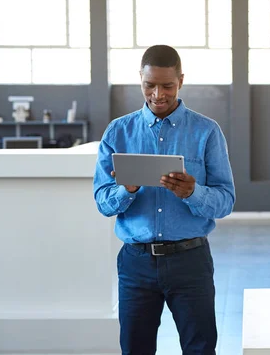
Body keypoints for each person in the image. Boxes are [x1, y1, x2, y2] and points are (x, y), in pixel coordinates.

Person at [93, 45, 235, 354]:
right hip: (136, 264)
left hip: (190, 262)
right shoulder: (117, 132)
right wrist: (126, 190)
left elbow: (226, 201)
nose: (158, 94)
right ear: (140, 80)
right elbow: (103, 203)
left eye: (167, 85)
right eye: (150, 85)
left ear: (181, 81)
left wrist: (192, 192)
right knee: (135, 349)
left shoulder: (207, 132)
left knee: (200, 349)